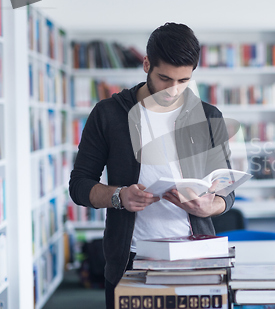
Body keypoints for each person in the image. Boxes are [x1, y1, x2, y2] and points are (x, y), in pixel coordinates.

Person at [69, 22, 235, 309]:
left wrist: (212, 206)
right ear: (146, 64)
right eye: (164, 78)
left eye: (183, 81)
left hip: (195, 255)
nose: (173, 90)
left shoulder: (208, 116)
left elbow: (227, 192)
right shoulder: (109, 114)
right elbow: (79, 185)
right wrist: (118, 196)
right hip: (130, 259)